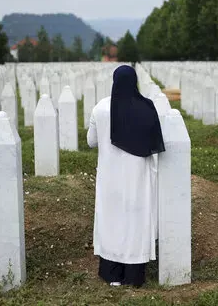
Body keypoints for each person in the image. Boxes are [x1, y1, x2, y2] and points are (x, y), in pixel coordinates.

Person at [87, 65, 165, 287]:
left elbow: (91, 141)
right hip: (137, 179)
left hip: (110, 179)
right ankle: (133, 275)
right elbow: (154, 143)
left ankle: (112, 274)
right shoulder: (147, 108)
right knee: (135, 223)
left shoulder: (100, 108)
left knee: (111, 222)